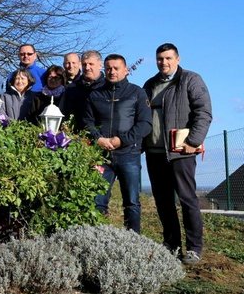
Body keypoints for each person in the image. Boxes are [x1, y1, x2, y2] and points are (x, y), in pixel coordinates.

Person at [143, 43, 212, 264]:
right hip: (154, 153)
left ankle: (194, 248)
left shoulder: (190, 80)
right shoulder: (149, 84)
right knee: (163, 202)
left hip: (181, 153)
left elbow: (204, 112)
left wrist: (194, 141)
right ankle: (171, 245)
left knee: (187, 199)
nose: (164, 62)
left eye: (168, 58)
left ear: (178, 59)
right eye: (160, 59)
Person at [84, 54, 152, 233]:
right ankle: (96, 238)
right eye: (108, 69)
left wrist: (121, 140)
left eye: (116, 68)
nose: (112, 72)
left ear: (125, 70)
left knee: (131, 202)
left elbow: (145, 124)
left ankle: (133, 240)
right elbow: (87, 122)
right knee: (97, 200)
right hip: (101, 155)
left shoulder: (137, 93)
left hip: (128, 154)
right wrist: (98, 138)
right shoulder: (95, 94)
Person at [61, 50, 105, 131]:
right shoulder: (71, 89)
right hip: (78, 138)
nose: (87, 68)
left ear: (100, 65)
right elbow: (64, 113)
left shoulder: (107, 88)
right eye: (84, 64)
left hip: (103, 137)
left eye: (91, 64)